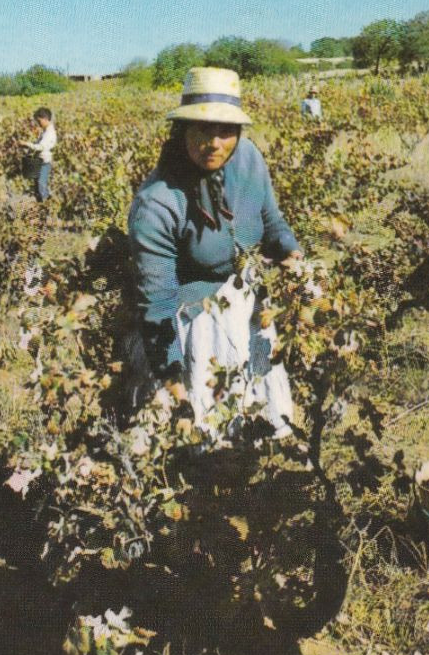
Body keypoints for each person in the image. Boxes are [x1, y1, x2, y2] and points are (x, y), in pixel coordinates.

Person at [125, 67, 302, 409]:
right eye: (203, 129)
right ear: (182, 130)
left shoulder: (248, 159)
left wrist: (293, 257)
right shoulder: (158, 204)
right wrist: (173, 380)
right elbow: (157, 305)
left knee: (260, 421)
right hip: (195, 324)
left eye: (226, 130)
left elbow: (272, 222)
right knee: (206, 430)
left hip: (248, 307)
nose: (214, 143)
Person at [20, 107, 57, 202]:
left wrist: (26, 144)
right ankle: (41, 203)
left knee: (41, 184)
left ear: (45, 119)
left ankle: (48, 204)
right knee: (37, 184)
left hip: (44, 163)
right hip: (39, 161)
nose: (38, 124)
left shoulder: (49, 133)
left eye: (39, 121)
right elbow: (37, 143)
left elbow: (40, 147)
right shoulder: (45, 131)